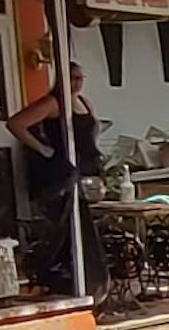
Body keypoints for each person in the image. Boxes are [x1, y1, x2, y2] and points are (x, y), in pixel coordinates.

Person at [8, 63, 105, 292]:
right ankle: (56, 276)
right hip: (63, 172)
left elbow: (94, 128)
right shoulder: (53, 103)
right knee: (65, 227)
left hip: (86, 169)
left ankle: (90, 277)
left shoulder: (84, 102)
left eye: (81, 77)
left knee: (88, 225)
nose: (77, 82)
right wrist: (43, 149)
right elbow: (16, 124)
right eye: (72, 78)